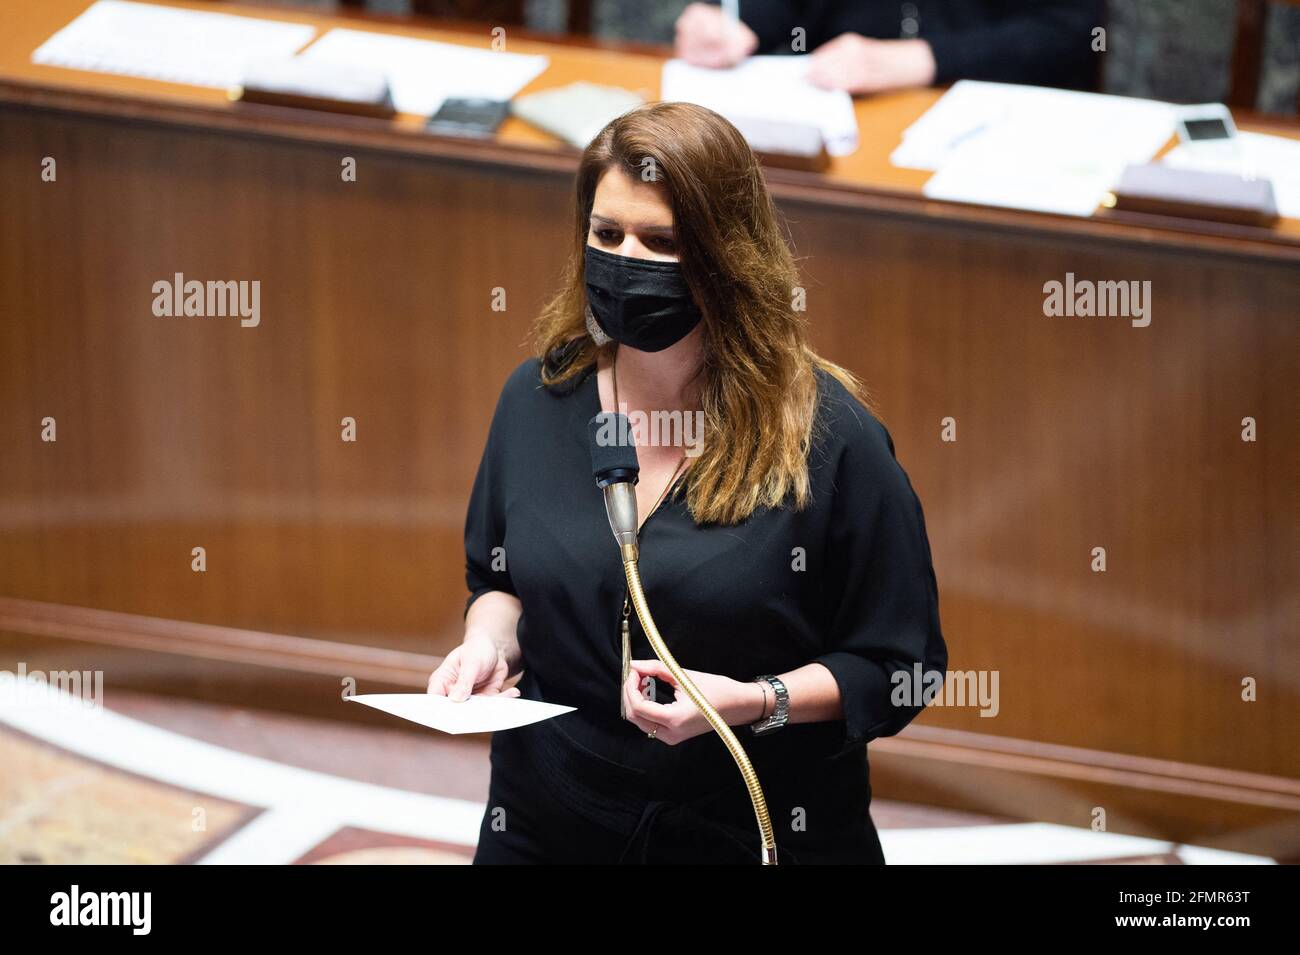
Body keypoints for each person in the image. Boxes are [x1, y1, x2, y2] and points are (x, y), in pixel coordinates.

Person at [428, 101, 947, 864]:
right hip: (551, 815)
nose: (625, 257)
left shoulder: (832, 440)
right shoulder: (538, 399)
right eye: (607, 235)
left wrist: (748, 703)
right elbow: (501, 579)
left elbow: (900, 668)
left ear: (723, 255)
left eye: (660, 241)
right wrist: (485, 646)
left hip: (748, 822)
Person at [674, 0, 1104, 93]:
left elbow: (1075, 33)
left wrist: (923, 59)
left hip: (1007, 117)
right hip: (847, 126)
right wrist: (735, 27)